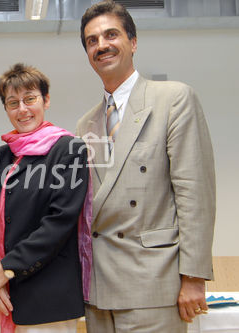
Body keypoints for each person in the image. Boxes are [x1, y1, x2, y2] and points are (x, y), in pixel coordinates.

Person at [75, 1, 216, 332]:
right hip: (98, 291)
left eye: (111, 34)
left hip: (154, 284)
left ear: (133, 42)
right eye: (92, 41)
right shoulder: (86, 124)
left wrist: (193, 278)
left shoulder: (173, 100)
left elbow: (195, 195)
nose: (101, 45)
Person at [0, 63, 89, 333]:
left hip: (46, 298)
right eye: (13, 102)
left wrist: (6, 268)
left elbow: (59, 222)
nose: (22, 109)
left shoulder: (69, 150)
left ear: (46, 100)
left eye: (30, 99)